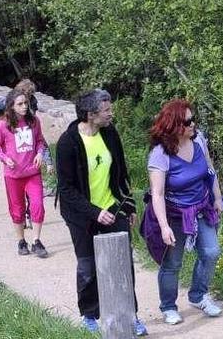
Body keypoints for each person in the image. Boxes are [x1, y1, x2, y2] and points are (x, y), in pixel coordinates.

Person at [55, 88, 147, 336]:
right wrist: (94, 212)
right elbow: (66, 189)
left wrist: (128, 206)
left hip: (112, 208)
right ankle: (89, 315)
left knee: (123, 263)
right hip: (81, 215)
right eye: (106, 110)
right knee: (88, 266)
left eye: (110, 109)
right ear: (90, 114)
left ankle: (131, 316)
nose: (111, 114)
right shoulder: (68, 142)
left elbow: (121, 173)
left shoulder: (110, 134)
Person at [141, 99, 223, 325]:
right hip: (174, 214)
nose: (193, 124)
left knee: (211, 252)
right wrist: (165, 226)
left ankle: (198, 295)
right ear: (175, 125)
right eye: (188, 121)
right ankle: (168, 306)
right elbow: (156, 194)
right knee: (173, 263)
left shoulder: (199, 140)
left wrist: (217, 197)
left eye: (193, 119)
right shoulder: (160, 154)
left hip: (201, 207)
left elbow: (210, 170)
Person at [0, 89, 50, 258]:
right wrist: (4, 158)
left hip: (33, 173)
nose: (24, 107)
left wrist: (39, 153)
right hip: (13, 175)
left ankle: (37, 241)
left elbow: (40, 141)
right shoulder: (3, 125)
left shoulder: (34, 121)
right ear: (11, 106)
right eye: (20, 104)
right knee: (17, 209)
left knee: (37, 205)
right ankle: (21, 241)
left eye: (26, 103)